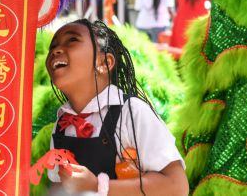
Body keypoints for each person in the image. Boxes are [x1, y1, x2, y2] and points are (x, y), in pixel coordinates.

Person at [46, 19, 188, 196]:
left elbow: (176, 186)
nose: (56, 51)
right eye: (52, 47)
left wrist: (96, 186)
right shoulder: (62, 123)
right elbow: (58, 186)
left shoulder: (133, 112)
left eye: (72, 40)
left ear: (104, 63)